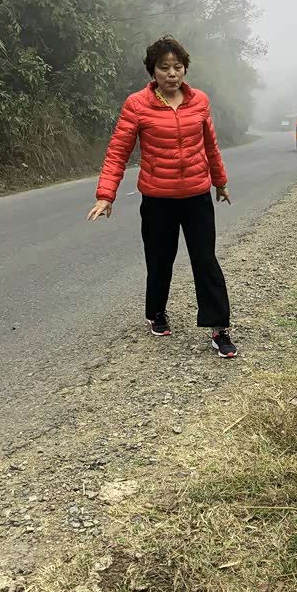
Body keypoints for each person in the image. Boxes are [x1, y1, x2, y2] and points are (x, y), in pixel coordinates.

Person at [87, 35, 237, 358]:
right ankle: (156, 311)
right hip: (158, 200)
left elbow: (210, 145)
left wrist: (220, 182)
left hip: (196, 197)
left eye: (177, 67)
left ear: (185, 69)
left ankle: (219, 328)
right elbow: (118, 151)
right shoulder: (137, 105)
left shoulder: (199, 101)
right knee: (159, 260)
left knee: (205, 260)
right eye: (164, 67)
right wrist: (106, 195)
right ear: (152, 71)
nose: (172, 73)